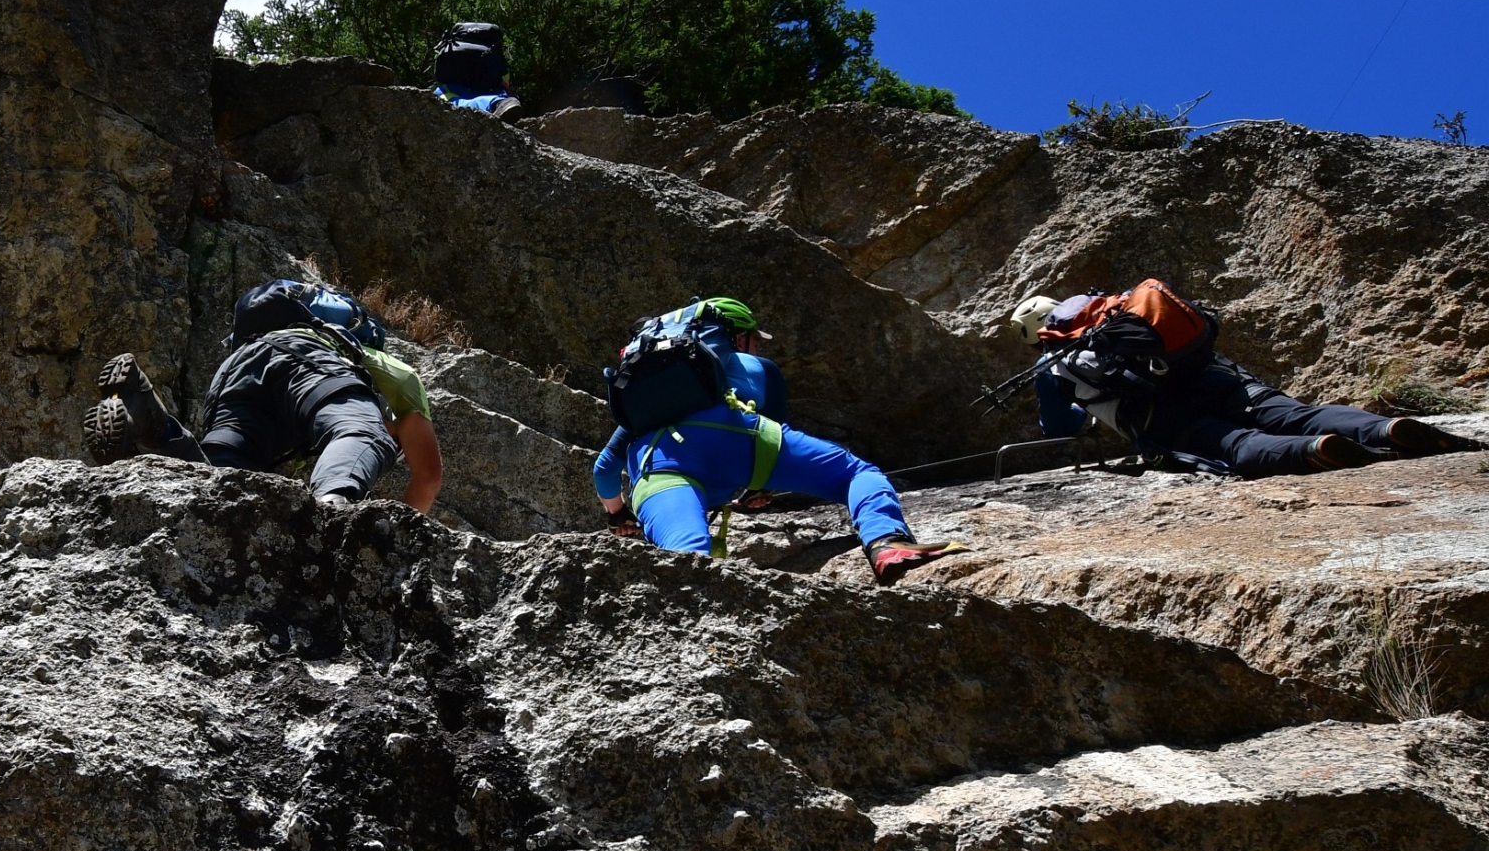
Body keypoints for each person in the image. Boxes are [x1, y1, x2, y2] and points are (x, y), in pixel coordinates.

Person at [594, 298, 950, 584]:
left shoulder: (649, 402)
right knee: (856, 473)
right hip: (742, 439)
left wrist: (618, 515)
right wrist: (756, 487)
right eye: (751, 337)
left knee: (688, 565)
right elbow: (773, 430)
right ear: (735, 337)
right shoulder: (755, 366)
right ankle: (887, 541)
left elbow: (604, 469)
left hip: (660, 465)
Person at [1008, 289, 1478, 476]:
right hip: (1215, 375)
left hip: (1158, 414)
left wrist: (1087, 415)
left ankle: (1314, 452)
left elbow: (1060, 431)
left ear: (1034, 338)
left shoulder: (1052, 365)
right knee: (1298, 414)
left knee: (1235, 445)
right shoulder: (1119, 308)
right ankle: (1385, 430)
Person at [82, 283, 443, 512]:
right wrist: (403, 542)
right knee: (362, 433)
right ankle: (333, 509)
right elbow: (427, 477)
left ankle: (156, 428)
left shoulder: (249, 341)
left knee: (219, 491)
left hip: (235, 376)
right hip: (306, 360)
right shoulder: (371, 356)